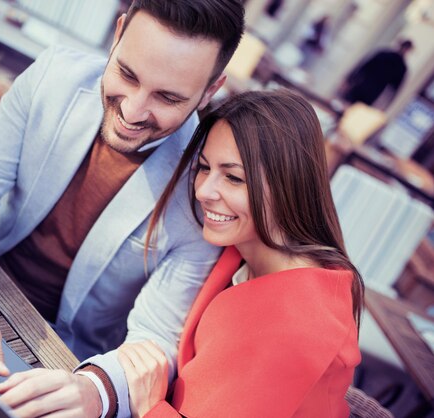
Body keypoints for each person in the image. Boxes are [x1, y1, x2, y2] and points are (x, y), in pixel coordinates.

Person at [0, 0, 245, 416]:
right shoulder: (54, 75)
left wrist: (95, 390)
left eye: (167, 97)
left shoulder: (205, 189)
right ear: (119, 33)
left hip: (68, 362)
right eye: (127, 73)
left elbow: (159, 337)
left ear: (210, 90)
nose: (131, 111)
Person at [117, 89, 364, 417]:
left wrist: (150, 406)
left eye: (233, 178)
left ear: (289, 185)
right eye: (204, 167)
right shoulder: (242, 249)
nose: (203, 191)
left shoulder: (298, 323)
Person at [342, 40, 413, 107]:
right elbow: (393, 90)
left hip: (365, 86)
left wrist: (349, 80)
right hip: (369, 89)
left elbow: (364, 67)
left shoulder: (386, 56)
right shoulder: (400, 66)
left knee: (348, 104)